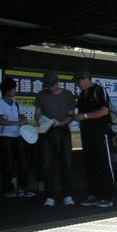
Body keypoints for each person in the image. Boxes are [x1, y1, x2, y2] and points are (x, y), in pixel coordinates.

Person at [72, 69, 115, 208]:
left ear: (86, 78)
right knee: (90, 166)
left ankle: (108, 196)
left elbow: (104, 110)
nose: (77, 84)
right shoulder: (82, 95)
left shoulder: (99, 90)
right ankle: (93, 194)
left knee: (104, 165)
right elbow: (78, 113)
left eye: (78, 81)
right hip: (86, 135)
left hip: (101, 134)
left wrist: (85, 116)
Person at [33, 70, 75, 206]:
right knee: (46, 165)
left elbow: (70, 115)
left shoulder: (68, 95)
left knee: (67, 165)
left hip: (63, 131)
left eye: (51, 85)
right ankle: (49, 195)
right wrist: (39, 121)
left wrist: (61, 123)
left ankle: (67, 195)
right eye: (47, 85)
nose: (49, 88)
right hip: (47, 132)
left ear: (58, 82)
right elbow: (37, 113)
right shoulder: (41, 95)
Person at [0, 78, 35, 199]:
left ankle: (23, 188)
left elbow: (23, 118)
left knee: (23, 162)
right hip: (4, 137)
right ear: (7, 90)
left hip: (17, 136)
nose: (15, 91)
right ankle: (8, 188)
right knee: (8, 163)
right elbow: (0, 120)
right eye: (13, 89)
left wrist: (24, 122)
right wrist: (17, 123)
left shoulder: (16, 103)